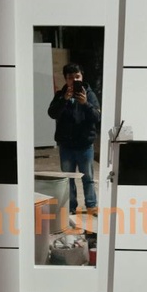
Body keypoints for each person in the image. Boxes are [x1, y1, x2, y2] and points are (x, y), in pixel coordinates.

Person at [47, 63, 101, 215]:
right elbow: (52, 113)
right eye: (70, 77)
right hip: (66, 145)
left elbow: (97, 117)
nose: (74, 80)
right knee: (67, 179)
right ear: (66, 79)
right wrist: (64, 99)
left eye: (77, 76)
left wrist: (85, 104)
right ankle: (70, 207)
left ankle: (91, 205)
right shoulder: (60, 95)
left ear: (82, 77)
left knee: (88, 177)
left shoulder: (89, 95)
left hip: (85, 145)